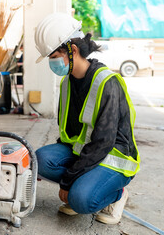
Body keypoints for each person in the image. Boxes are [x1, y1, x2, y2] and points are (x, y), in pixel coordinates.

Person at [34, 13, 140, 224]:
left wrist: (67, 180)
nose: (52, 62)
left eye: (54, 56)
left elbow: (103, 143)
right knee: (38, 160)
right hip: (85, 152)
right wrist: (61, 172)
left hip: (112, 158)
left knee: (81, 200)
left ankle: (116, 196)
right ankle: (84, 185)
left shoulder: (107, 83)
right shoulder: (67, 84)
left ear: (73, 50)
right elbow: (70, 134)